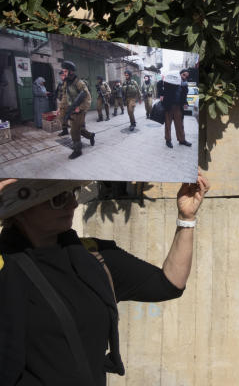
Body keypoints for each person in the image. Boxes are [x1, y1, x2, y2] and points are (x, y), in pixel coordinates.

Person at [0, 173, 209, 385]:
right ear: (20, 209)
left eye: (73, 193)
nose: (73, 204)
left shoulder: (92, 256)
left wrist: (186, 219)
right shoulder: (5, 265)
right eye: (58, 199)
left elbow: (168, 284)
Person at [57, 61, 95, 160]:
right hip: (71, 108)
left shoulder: (79, 83)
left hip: (80, 110)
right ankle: (90, 136)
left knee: (74, 130)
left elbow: (88, 98)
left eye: (65, 71)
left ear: (71, 72)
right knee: (79, 129)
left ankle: (78, 150)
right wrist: (60, 108)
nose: (63, 73)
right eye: (63, 71)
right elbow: (65, 97)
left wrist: (80, 108)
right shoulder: (66, 82)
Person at [159, 70, 191, 149]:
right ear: (180, 74)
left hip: (178, 107)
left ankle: (182, 140)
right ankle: (168, 140)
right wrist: (161, 94)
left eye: (186, 76)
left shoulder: (184, 85)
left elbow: (184, 96)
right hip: (168, 105)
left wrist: (185, 103)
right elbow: (159, 84)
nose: (184, 77)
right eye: (183, 75)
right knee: (168, 124)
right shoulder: (171, 80)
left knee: (180, 124)